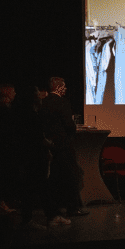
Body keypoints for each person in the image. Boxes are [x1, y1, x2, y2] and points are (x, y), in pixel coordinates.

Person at [15, 85, 70, 229]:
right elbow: (38, 138)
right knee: (39, 187)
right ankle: (47, 217)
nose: (41, 96)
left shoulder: (24, 114)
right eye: (38, 94)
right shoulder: (32, 116)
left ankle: (43, 217)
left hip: (29, 156)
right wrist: (51, 145)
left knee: (36, 188)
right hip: (35, 156)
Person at [40, 77, 89, 216]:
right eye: (64, 86)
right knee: (71, 175)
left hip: (50, 144)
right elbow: (69, 125)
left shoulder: (43, 102)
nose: (66, 89)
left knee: (54, 177)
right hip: (63, 144)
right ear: (58, 87)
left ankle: (55, 207)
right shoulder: (62, 102)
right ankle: (73, 208)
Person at [0, 83, 19, 213]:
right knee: (2, 176)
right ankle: (0, 202)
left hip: (0, 148)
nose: (15, 94)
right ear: (7, 94)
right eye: (13, 92)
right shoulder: (4, 111)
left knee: (0, 175)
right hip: (4, 149)